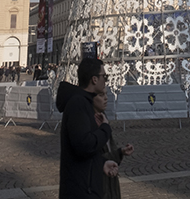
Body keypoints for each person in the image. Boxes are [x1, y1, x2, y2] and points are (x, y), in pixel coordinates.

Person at [57, 58, 113, 198]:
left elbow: (83, 148)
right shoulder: (78, 104)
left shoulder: (84, 102)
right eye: (104, 76)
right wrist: (105, 129)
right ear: (94, 79)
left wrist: (101, 164)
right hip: (81, 191)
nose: (105, 80)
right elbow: (84, 145)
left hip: (86, 186)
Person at [93, 90, 133, 199]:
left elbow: (110, 147)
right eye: (101, 95)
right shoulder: (88, 122)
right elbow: (92, 155)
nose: (106, 98)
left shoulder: (102, 116)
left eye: (106, 94)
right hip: (98, 183)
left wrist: (121, 152)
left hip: (110, 182)